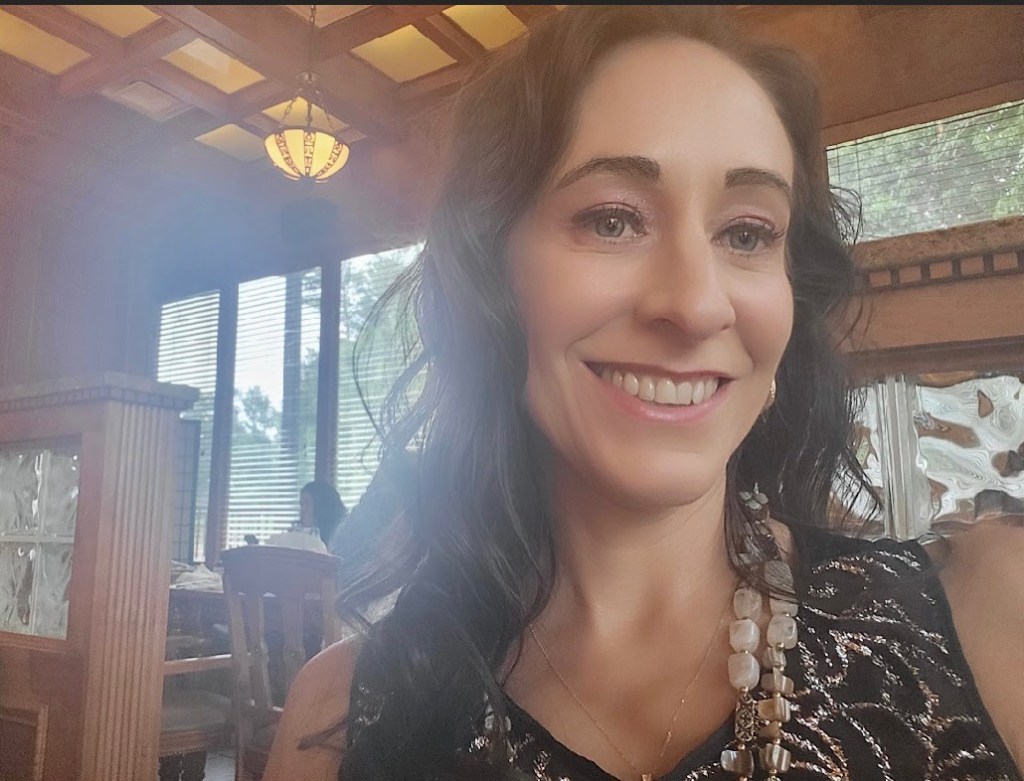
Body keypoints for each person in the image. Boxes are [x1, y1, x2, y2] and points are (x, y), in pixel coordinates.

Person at [264, 7, 1024, 781]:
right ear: (491, 276)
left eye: (748, 233)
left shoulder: (993, 614)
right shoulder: (338, 718)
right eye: (613, 220)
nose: (696, 304)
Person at [265, 479, 346, 553]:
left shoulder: (338, 542)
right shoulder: (295, 540)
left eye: (307, 504)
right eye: (301, 504)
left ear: (322, 507)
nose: (302, 510)